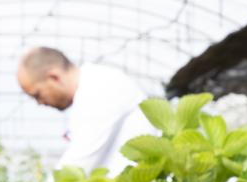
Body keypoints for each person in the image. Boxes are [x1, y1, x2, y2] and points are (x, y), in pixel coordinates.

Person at [16, 47, 155, 173]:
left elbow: (78, 164)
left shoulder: (101, 87)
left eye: (37, 95)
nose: (40, 103)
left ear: (54, 77)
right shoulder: (87, 94)